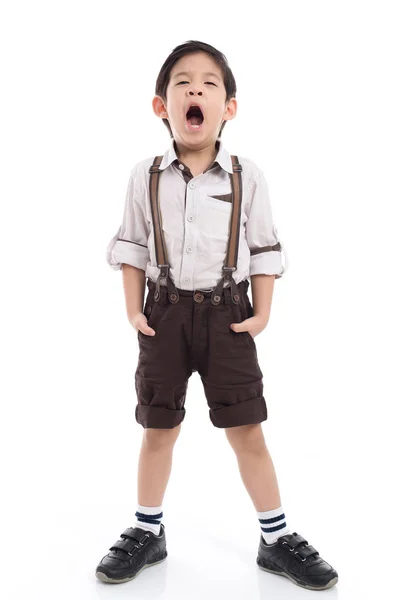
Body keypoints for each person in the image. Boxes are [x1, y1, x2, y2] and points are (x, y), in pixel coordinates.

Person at [95, 40, 338, 591]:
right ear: (163, 105)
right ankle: (147, 529)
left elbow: (265, 248)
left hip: (229, 317)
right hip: (164, 314)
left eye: (209, 83)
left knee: (247, 428)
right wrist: (133, 309)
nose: (195, 90)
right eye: (183, 83)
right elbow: (131, 245)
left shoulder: (246, 176)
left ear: (229, 106)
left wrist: (263, 314)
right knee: (159, 427)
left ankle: (275, 538)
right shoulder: (147, 174)